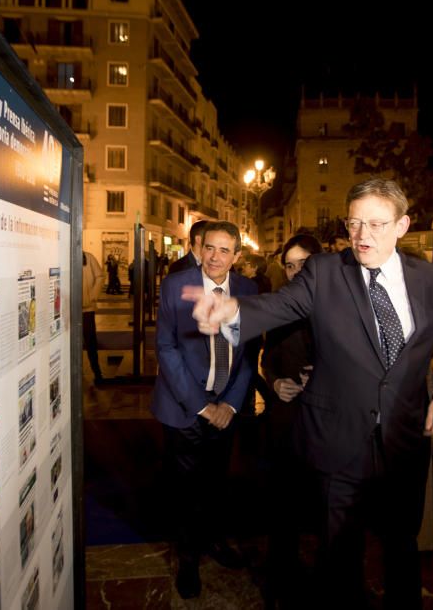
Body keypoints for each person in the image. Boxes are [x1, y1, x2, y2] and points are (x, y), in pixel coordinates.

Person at [187, 179, 433, 607]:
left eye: (376, 224)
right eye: (354, 223)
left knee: (401, 543)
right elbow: (280, 305)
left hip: (405, 439)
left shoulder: (431, 280)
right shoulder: (324, 272)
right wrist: (233, 312)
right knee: (339, 551)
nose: (363, 235)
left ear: (403, 225)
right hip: (338, 438)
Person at [150, 221, 260, 600]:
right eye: (209, 248)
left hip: (226, 407)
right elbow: (166, 348)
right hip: (185, 407)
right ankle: (188, 559)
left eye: (224, 250)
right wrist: (201, 405)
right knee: (185, 489)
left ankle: (214, 541)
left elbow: (249, 352)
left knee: (217, 482)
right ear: (200, 247)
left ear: (237, 256)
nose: (215, 257)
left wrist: (229, 403)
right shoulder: (175, 285)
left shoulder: (248, 290)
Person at [260, 233, 321, 605]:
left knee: (325, 502)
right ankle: (281, 574)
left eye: (304, 263)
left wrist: (321, 377)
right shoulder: (279, 308)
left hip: (325, 418)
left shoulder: (340, 306)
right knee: (283, 499)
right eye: (290, 264)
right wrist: (276, 381)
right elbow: (268, 359)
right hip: (286, 416)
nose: (297, 270)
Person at [82, 251, 104, 384]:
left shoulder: (88, 257)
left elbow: (100, 276)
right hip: (68, 309)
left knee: (90, 342)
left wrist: (92, 297)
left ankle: (97, 372)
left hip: (87, 309)